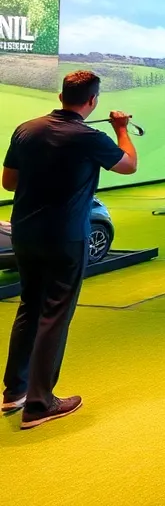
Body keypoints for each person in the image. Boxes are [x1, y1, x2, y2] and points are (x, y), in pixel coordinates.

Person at [1, 71, 137, 428]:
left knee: (30, 306)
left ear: (62, 96)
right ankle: (39, 404)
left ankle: (14, 391)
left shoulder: (26, 129)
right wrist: (121, 129)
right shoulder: (91, 136)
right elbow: (129, 165)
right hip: (65, 238)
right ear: (92, 101)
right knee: (54, 314)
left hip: (25, 234)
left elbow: (9, 181)